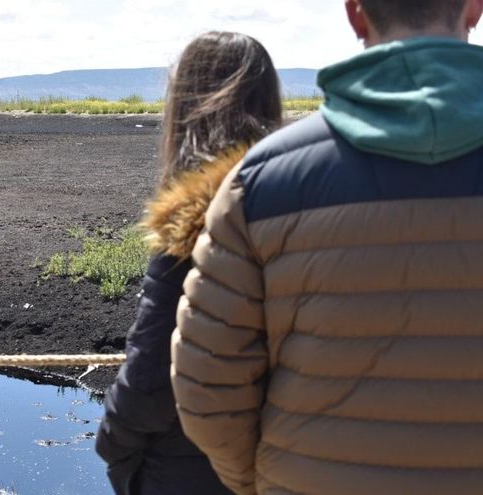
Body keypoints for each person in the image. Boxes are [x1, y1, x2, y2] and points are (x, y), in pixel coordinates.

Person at [170, 1, 483, 494]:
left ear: (356, 13)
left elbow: (208, 386)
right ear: (474, 10)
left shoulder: (260, 181)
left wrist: (263, 480)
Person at [95, 31, 282, 495]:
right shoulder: (301, 207)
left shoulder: (195, 220)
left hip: (191, 473)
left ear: (183, 112)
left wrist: (114, 450)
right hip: (293, 462)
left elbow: (150, 381)